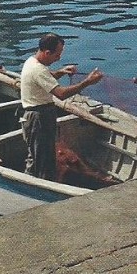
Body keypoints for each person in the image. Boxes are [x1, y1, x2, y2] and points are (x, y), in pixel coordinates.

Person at [20, 33, 103, 179]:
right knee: (42, 160)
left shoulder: (32, 62)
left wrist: (61, 72)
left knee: (38, 155)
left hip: (39, 115)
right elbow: (61, 94)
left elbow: (45, 78)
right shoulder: (38, 70)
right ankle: (39, 188)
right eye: (57, 55)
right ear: (47, 53)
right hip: (38, 118)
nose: (59, 58)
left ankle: (33, 180)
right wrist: (87, 82)